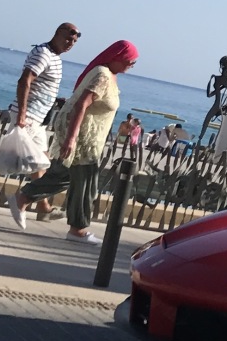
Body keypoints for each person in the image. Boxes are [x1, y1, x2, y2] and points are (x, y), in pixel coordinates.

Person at [10, 40, 138, 244]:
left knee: (65, 174)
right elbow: (82, 104)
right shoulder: (102, 75)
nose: (132, 65)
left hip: (87, 133)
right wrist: (71, 137)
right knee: (86, 181)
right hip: (82, 134)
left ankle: (23, 198)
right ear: (118, 57)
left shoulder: (108, 74)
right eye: (130, 61)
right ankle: (77, 229)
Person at [0, 22, 81, 213]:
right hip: (28, 116)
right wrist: (22, 115)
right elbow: (25, 81)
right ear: (57, 33)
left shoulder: (55, 58)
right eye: (68, 37)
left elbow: (41, 85)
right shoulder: (43, 53)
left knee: (42, 159)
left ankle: (43, 206)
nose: (71, 43)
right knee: (6, 157)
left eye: (74, 41)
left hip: (38, 118)